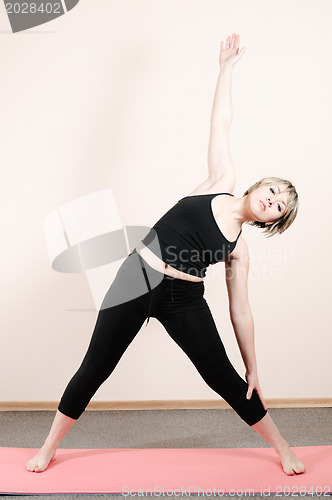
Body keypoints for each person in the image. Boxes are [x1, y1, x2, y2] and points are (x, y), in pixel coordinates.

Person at [26, 33, 305, 476]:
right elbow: (221, 124)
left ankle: (284, 448)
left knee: (223, 378)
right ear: (256, 186)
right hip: (136, 277)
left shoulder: (239, 249)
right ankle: (47, 448)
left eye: (280, 206)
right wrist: (226, 69)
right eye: (273, 190)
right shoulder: (219, 180)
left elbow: (242, 312)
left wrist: (253, 368)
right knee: (95, 367)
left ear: (272, 221)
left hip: (183, 300)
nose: (273, 200)